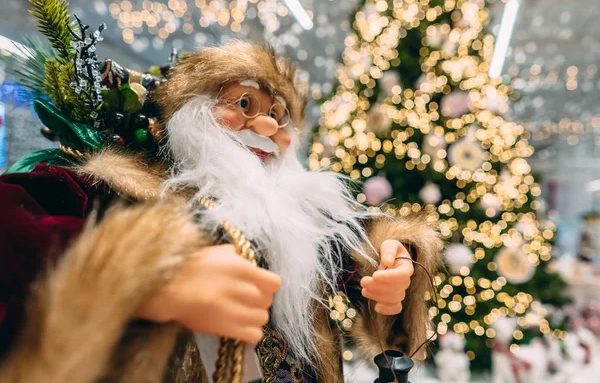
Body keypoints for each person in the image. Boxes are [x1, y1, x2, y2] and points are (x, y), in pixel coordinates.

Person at [0, 41, 442, 382]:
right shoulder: (124, 188)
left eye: (279, 115)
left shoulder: (297, 214)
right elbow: (16, 226)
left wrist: (392, 254)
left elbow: (358, 241)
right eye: (244, 104)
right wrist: (144, 279)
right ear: (193, 111)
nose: (268, 127)